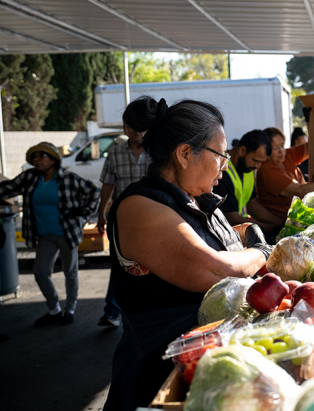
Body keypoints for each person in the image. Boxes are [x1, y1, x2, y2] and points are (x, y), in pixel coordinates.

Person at [103, 99, 273, 410]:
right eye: (220, 154)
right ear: (184, 154)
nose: (226, 164)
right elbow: (216, 271)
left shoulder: (197, 198)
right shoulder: (138, 207)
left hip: (204, 362)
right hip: (160, 373)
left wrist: (247, 233)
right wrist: (261, 252)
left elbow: (224, 241)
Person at [0, 142, 100, 326]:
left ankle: (70, 310)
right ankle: (54, 309)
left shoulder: (67, 178)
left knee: (70, 272)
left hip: (66, 233)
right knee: (40, 272)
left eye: (41, 156)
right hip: (45, 235)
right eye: (34, 158)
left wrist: (84, 213)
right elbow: (7, 188)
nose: (37, 160)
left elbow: (94, 190)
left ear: (53, 159)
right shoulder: (30, 177)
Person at [95, 96, 154, 327]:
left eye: (141, 127)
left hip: (154, 220)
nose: (136, 131)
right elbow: (108, 185)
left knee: (150, 265)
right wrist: (101, 214)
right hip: (122, 221)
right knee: (120, 265)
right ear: (124, 127)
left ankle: (145, 312)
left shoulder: (158, 152)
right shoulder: (115, 153)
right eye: (131, 126)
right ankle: (112, 312)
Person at [256, 127, 314, 219]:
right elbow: (299, 190)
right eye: (275, 147)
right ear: (265, 150)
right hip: (287, 223)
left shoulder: (287, 156)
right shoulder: (267, 171)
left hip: (302, 213)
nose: (281, 150)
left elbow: (311, 146)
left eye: (282, 145)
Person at [212, 129, 284, 234]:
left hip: (243, 231)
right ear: (242, 151)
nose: (257, 166)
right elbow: (232, 218)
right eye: (255, 160)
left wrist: (280, 223)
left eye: (261, 162)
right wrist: (268, 227)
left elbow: (252, 205)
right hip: (226, 234)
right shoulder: (222, 172)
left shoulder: (248, 168)